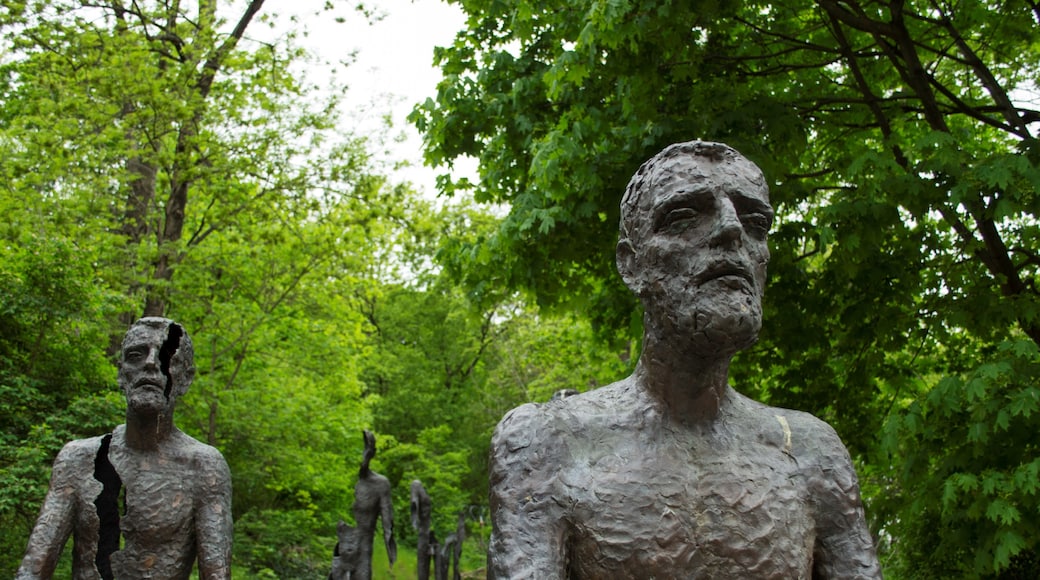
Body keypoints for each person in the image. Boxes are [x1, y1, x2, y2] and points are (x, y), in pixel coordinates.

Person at [487, 141, 882, 579]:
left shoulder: (812, 452)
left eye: (756, 223)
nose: (732, 231)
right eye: (684, 216)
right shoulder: (547, 445)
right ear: (630, 265)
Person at [17, 317, 232, 580]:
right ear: (121, 373)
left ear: (185, 379)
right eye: (136, 355)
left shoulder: (204, 466)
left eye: (166, 356)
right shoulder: (78, 459)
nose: (151, 363)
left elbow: (216, 575)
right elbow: (33, 569)